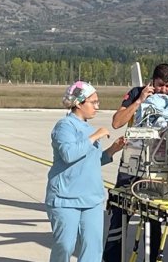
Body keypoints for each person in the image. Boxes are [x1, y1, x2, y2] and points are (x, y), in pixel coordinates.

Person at [103, 63, 168, 262]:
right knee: (119, 216)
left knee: (154, 220)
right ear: (152, 81)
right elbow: (117, 122)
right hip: (131, 166)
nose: (163, 90)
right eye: (159, 85)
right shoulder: (136, 94)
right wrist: (139, 100)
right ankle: (112, 258)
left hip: (159, 169)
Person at [46, 81, 126, 262]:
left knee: (93, 248)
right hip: (65, 199)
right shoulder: (65, 126)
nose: (97, 107)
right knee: (65, 246)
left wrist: (112, 149)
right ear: (79, 103)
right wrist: (95, 136)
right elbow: (69, 154)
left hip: (91, 199)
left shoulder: (89, 129)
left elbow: (93, 161)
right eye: (93, 102)